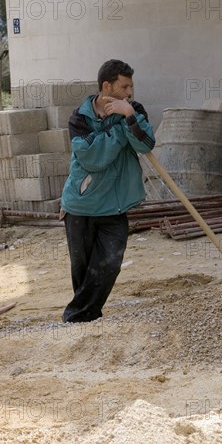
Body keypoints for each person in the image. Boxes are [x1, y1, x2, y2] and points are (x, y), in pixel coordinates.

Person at [60, 59, 155, 323]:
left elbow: (146, 145)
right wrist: (120, 130)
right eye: (124, 87)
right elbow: (92, 158)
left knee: (109, 264)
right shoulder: (80, 118)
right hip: (80, 205)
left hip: (115, 205)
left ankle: (76, 317)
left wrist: (129, 116)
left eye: (131, 87)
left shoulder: (133, 110)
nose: (129, 93)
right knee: (82, 270)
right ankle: (87, 321)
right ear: (106, 86)